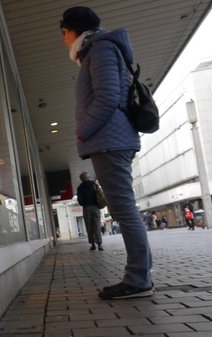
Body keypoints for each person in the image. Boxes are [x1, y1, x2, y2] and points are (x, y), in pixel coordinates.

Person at [60, 6, 153, 299]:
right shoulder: (99, 50)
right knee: (124, 209)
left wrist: (82, 131)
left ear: (73, 31)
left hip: (110, 141)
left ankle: (138, 279)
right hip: (112, 139)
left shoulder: (99, 50)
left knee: (123, 210)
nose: (63, 40)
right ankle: (140, 276)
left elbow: (108, 98)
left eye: (63, 33)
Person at [77, 172, 104, 251]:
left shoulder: (80, 187)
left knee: (89, 226)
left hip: (86, 208)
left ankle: (92, 244)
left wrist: (84, 203)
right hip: (95, 207)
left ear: (81, 179)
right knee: (97, 225)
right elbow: (100, 193)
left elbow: (80, 200)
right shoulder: (94, 184)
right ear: (88, 177)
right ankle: (99, 244)